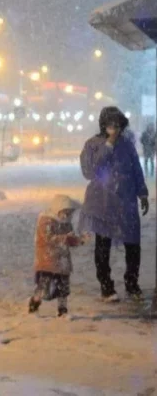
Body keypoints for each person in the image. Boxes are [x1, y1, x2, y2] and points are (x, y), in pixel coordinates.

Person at [79, 106, 149, 302]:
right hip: (102, 203)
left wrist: (142, 193)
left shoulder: (127, 145)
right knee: (103, 245)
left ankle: (132, 283)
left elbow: (136, 169)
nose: (115, 128)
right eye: (111, 124)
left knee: (133, 245)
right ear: (104, 125)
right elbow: (90, 171)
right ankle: (106, 286)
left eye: (118, 125)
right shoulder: (92, 144)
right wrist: (108, 145)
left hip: (126, 203)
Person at [28, 195, 89, 317]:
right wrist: (65, 238)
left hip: (62, 261)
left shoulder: (66, 224)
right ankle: (34, 304)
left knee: (63, 287)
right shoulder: (46, 221)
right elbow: (48, 238)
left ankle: (62, 310)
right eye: (65, 212)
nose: (67, 215)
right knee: (43, 286)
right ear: (57, 209)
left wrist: (80, 240)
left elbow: (70, 240)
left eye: (69, 213)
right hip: (47, 261)